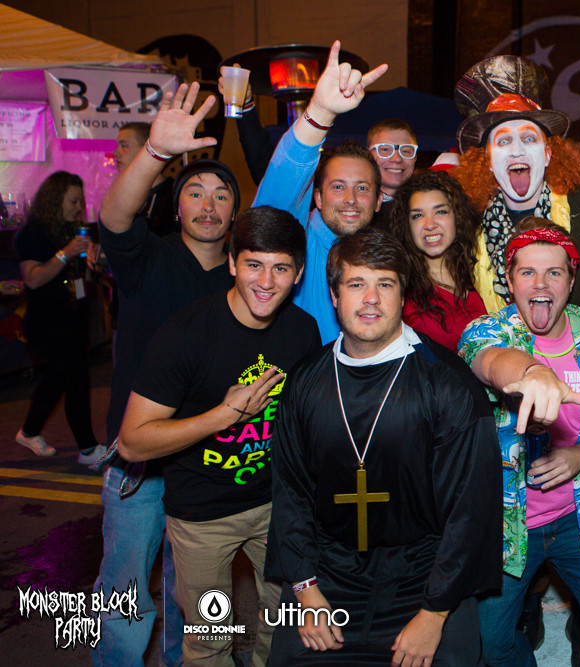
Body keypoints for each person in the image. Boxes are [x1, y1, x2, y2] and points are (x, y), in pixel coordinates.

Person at [265, 226, 501, 666]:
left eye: (385, 284)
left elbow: (470, 511)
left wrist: (434, 614)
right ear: (334, 295)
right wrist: (305, 590)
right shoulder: (305, 380)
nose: (371, 299)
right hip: (327, 577)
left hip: (425, 578)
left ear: (402, 295)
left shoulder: (447, 383)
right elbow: (291, 493)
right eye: (356, 284)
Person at [117, 206, 321, 667]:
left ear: (298, 274)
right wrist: (223, 416)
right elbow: (132, 441)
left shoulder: (302, 331)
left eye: (281, 268)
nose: (266, 281)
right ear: (231, 262)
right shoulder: (184, 335)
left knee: (284, 626)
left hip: (276, 508)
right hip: (202, 516)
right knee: (210, 640)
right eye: (254, 264)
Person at [93, 82, 241, 667]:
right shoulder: (147, 258)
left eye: (221, 195)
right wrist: (154, 154)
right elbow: (113, 215)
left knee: (198, 598)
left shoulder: (244, 282)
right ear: (176, 206)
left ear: (234, 212)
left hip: (208, 465)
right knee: (123, 592)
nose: (208, 204)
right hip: (141, 465)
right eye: (195, 192)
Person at [458, 221, 580, 667]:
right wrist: (533, 373)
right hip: (509, 526)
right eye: (527, 272)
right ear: (510, 280)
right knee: (491, 644)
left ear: (571, 280)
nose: (540, 284)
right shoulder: (485, 332)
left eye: (554, 272)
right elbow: (492, 361)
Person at [451, 55, 580, 318]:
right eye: (503, 142)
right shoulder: (465, 223)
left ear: (548, 153)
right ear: (488, 160)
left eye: (529, 138)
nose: (517, 150)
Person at [253, 40, 388, 343]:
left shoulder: (383, 257)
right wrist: (320, 114)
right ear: (317, 198)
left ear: (379, 200)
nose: (350, 199)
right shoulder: (297, 243)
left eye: (362, 188)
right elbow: (278, 197)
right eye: (338, 187)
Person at [14, 171, 105, 464]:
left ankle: (29, 432)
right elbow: (33, 279)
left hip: (72, 317)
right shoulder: (33, 233)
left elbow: (82, 277)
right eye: (73, 201)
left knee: (57, 379)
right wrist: (66, 253)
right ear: (55, 199)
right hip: (46, 322)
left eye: (80, 201)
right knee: (76, 379)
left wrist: (93, 259)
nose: (78, 208)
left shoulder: (71, 230)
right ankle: (88, 449)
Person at [387, 170, 486, 350]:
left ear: (457, 217)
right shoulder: (401, 290)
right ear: (406, 225)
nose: (430, 224)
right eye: (417, 215)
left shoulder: (480, 270)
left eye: (440, 212)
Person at [112, 121, 176, 236]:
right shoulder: (125, 197)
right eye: (117, 146)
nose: (115, 152)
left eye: (124, 146)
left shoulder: (173, 199)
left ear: (147, 150)